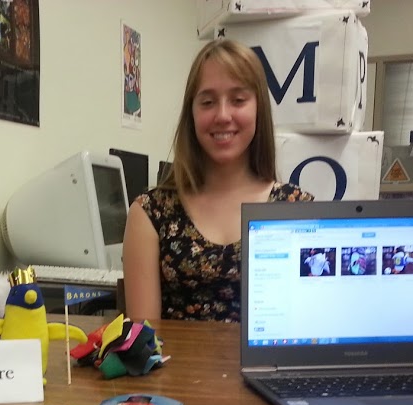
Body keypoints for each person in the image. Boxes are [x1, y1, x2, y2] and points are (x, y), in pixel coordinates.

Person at [122, 38, 313, 323]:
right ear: (191, 113)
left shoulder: (297, 209)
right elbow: (144, 339)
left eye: (238, 100)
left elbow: (309, 327)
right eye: (208, 102)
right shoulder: (150, 214)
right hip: (174, 355)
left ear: (258, 109)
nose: (223, 116)